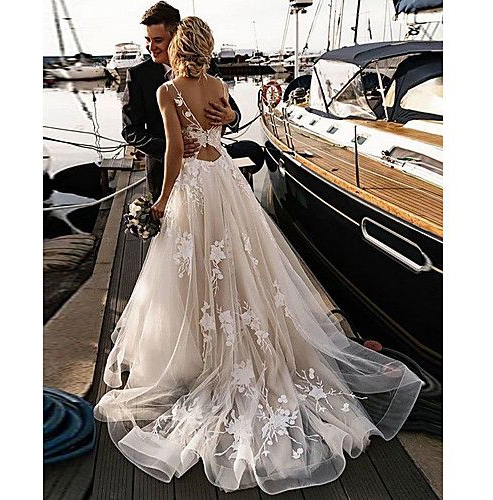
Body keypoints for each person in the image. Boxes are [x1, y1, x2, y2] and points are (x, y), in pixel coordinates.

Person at [94, 16, 424, 495]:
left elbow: (172, 153)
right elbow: (222, 126)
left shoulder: (170, 91)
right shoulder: (217, 83)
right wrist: (223, 119)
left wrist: (162, 201)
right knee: (240, 266)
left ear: (178, 46)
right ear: (207, 47)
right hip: (224, 180)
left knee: (197, 273)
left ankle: (203, 354)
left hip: (193, 188)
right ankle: (238, 345)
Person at [121, 2, 243, 201]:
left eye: (158, 40)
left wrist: (231, 117)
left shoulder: (207, 68)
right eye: (148, 40)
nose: (151, 47)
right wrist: (171, 147)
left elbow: (233, 113)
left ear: (176, 37)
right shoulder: (138, 76)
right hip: (162, 175)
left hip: (209, 176)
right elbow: (130, 131)